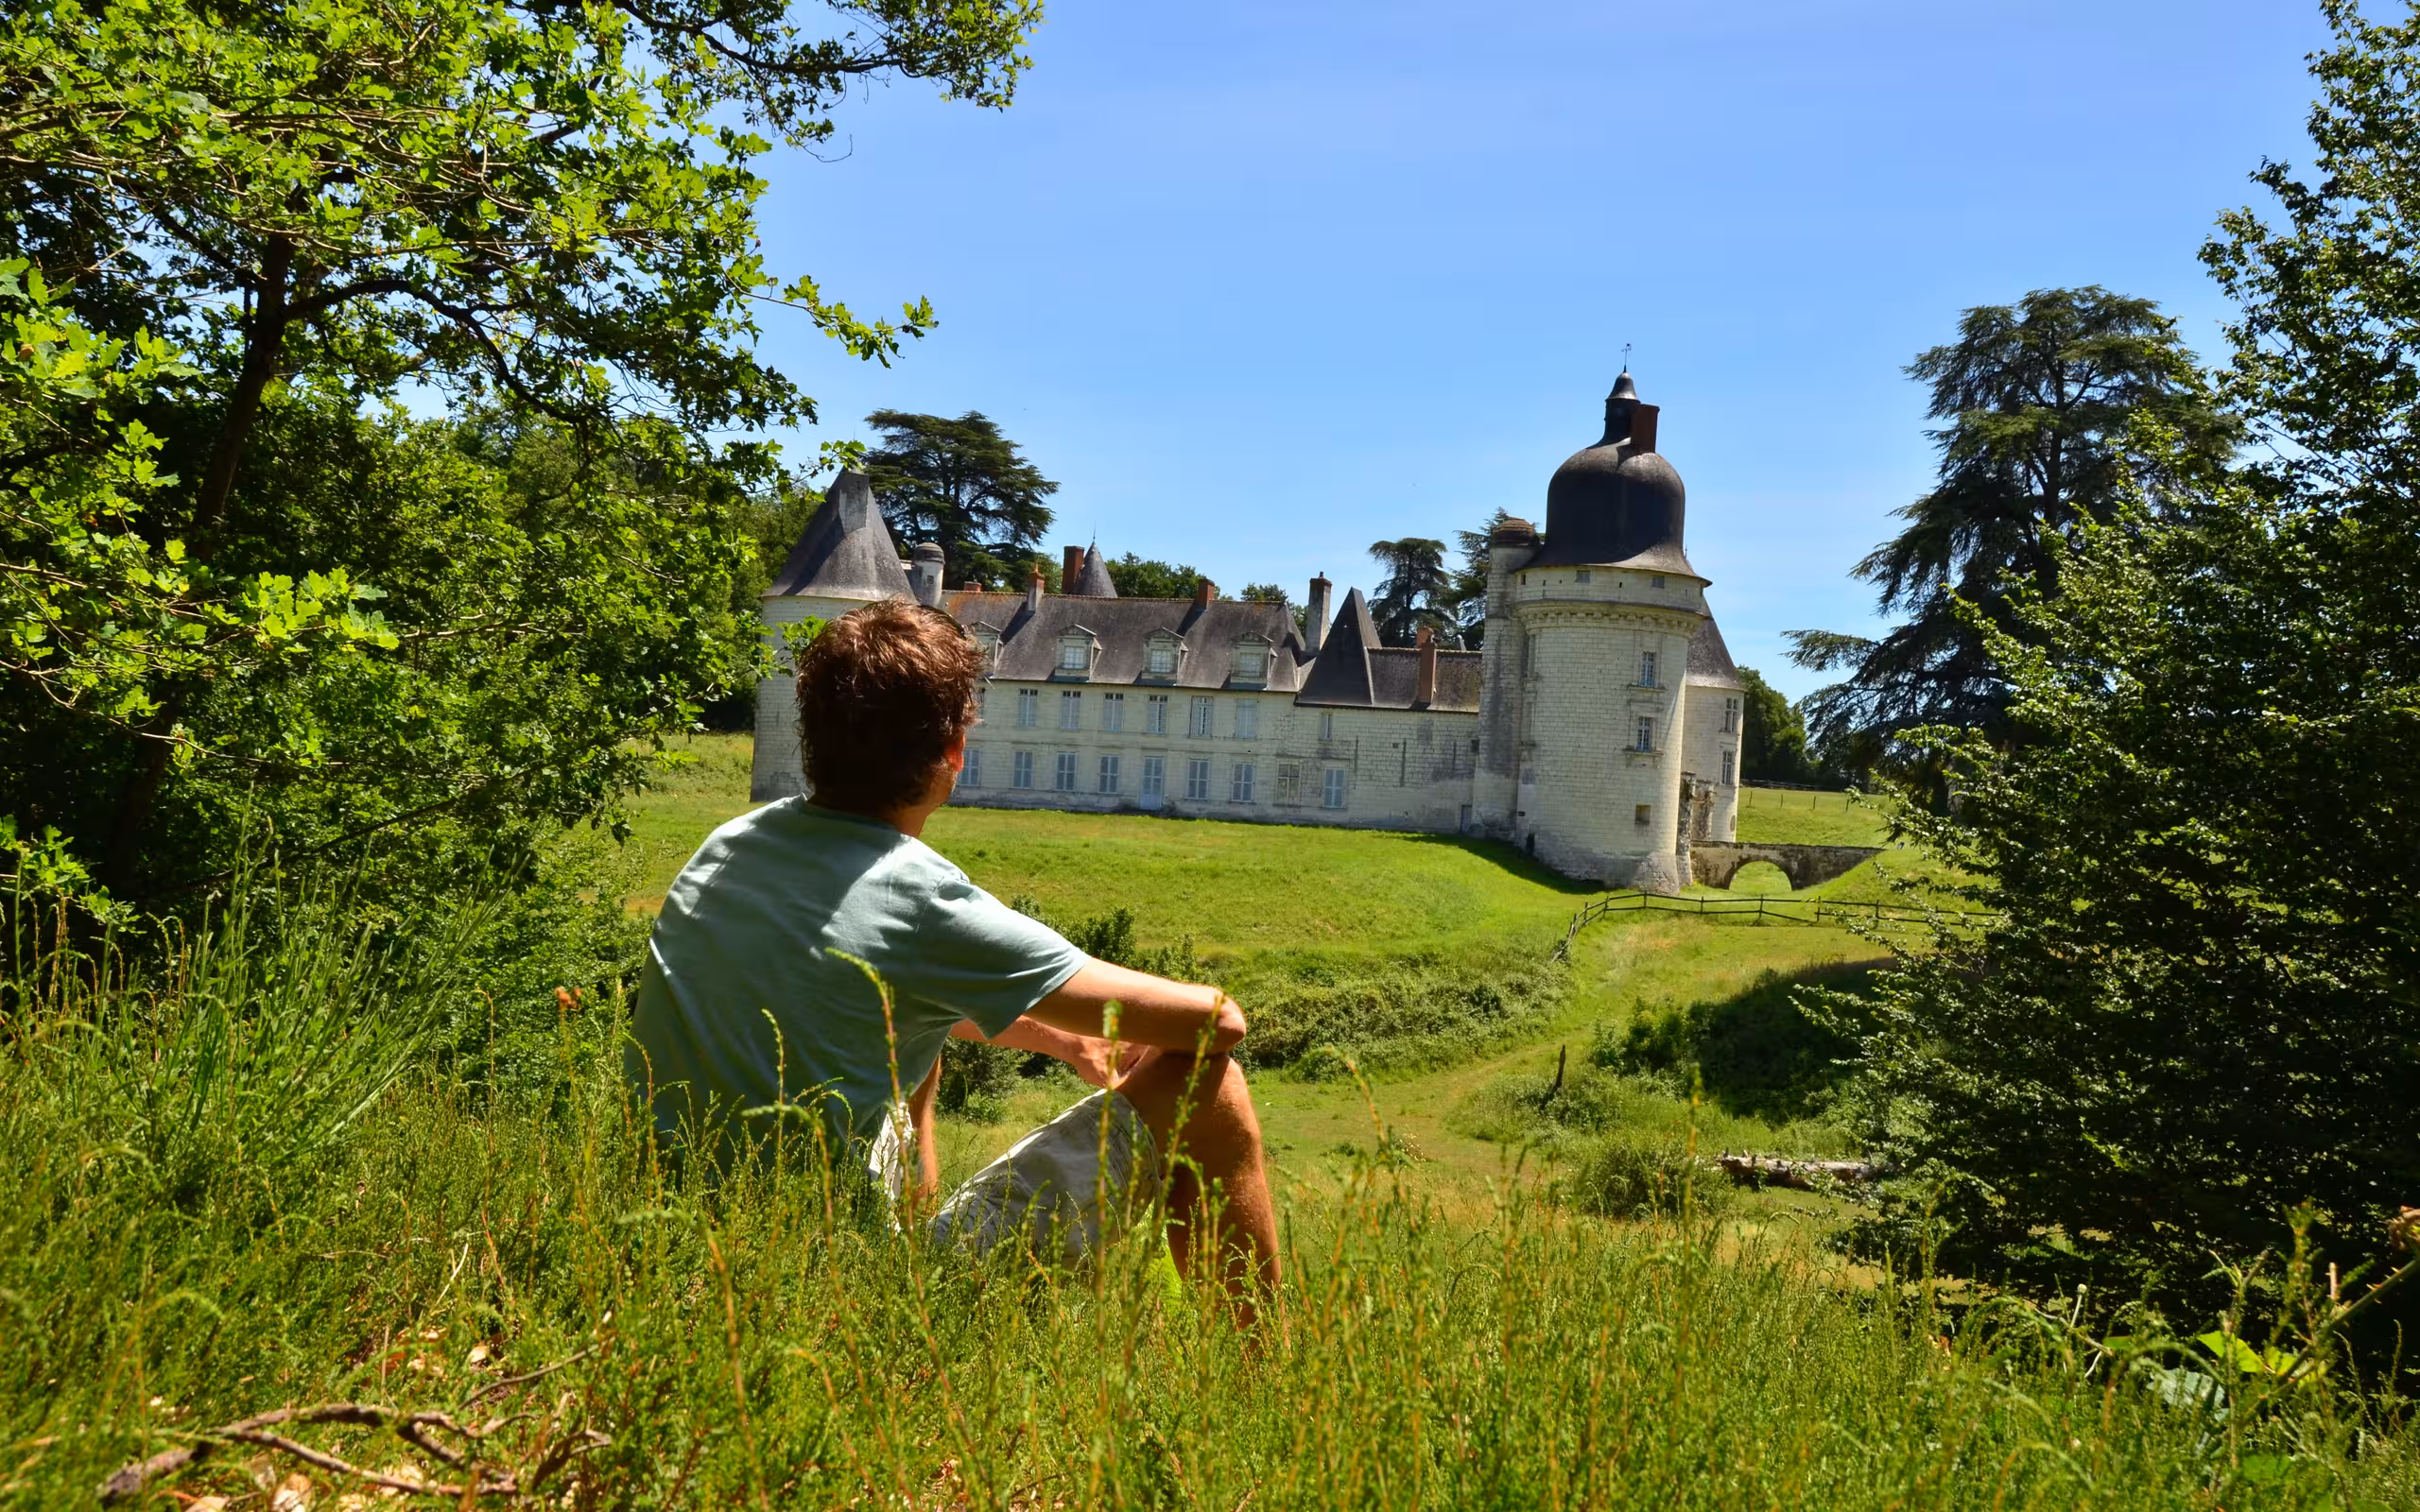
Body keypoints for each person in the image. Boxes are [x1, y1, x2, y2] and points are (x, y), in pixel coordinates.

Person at [626, 598, 1278, 1317]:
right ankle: (1263, 1378)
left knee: (915, 1027)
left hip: (665, 1246)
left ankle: (911, 1229)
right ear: (952, 756)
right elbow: (1219, 1023)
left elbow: (847, 997)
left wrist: (1063, 1040)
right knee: (1213, 1090)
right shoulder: (923, 903)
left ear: (811, 736)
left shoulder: (730, 846)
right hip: (825, 1290)